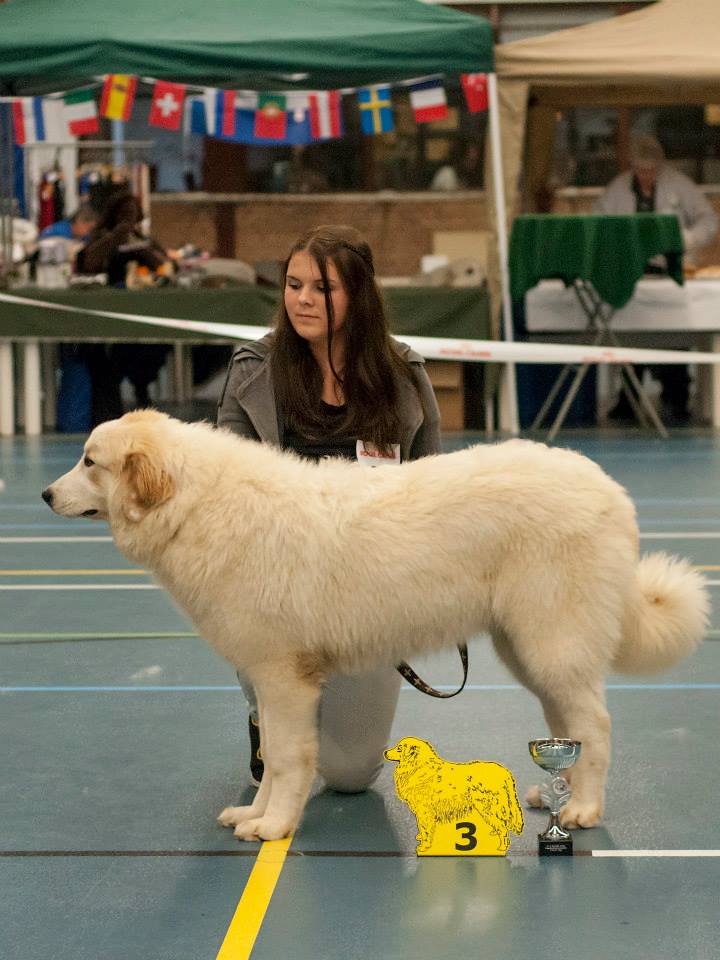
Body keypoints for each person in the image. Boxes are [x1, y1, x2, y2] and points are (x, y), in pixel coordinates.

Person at [216, 224, 441, 792]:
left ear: (358, 296)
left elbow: (433, 490)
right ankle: (266, 712)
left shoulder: (403, 376)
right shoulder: (253, 372)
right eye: (293, 285)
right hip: (274, 588)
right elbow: (227, 491)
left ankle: (311, 719)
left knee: (349, 773)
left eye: (322, 288)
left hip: (368, 594)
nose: (302, 300)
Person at [596, 135, 719, 422]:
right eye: (641, 170)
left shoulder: (680, 186)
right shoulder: (617, 190)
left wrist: (688, 239)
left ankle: (676, 397)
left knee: (673, 335)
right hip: (632, 273)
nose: (646, 176)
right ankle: (627, 400)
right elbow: (599, 222)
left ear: (660, 166)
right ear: (633, 168)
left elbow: (709, 221)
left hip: (671, 273)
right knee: (629, 335)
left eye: (652, 170)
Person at [76, 191, 174, 413]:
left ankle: (142, 391)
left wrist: (147, 252)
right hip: (105, 314)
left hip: (144, 313)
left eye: (133, 213)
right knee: (111, 358)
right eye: (125, 213)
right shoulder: (101, 236)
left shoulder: (142, 237)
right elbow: (90, 262)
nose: (130, 218)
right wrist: (117, 236)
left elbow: (166, 266)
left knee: (152, 347)